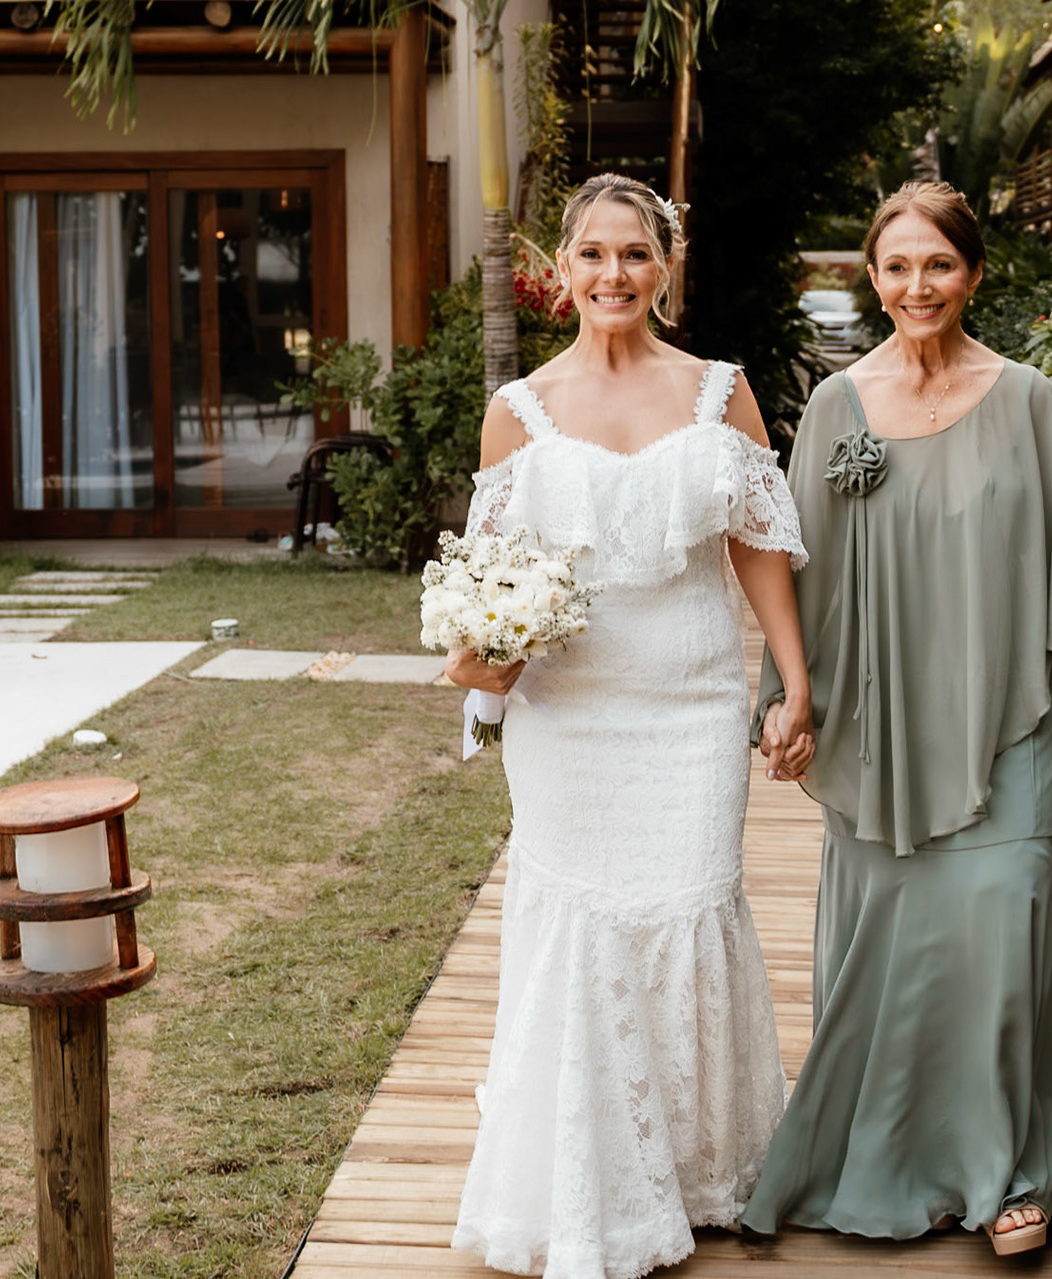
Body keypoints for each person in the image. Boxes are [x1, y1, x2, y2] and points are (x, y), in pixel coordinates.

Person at [739, 180, 1052, 1256]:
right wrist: (793, 699)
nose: (919, 286)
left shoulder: (1027, 397)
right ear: (871, 278)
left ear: (974, 273)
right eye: (899, 267)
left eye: (940, 265)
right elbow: (799, 571)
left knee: (1005, 913)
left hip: (1014, 708)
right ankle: (900, 1160)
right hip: (883, 719)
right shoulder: (834, 409)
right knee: (897, 942)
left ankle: (1009, 1171)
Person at [448, 173, 817, 1278]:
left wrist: (791, 684)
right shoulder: (518, 411)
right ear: (560, 268)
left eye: (635, 254)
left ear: (667, 266)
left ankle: (700, 1169)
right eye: (593, 254)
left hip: (694, 702)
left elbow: (759, 548)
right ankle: (586, 1189)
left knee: (692, 904)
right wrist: (480, 650)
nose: (614, 274)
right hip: (571, 717)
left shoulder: (722, 394)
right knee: (579, 924)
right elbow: (492, 579)